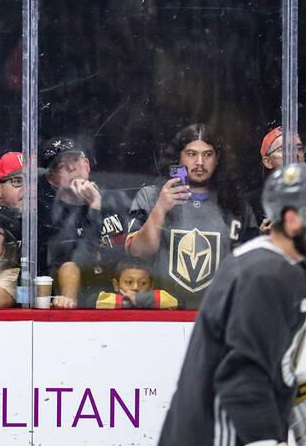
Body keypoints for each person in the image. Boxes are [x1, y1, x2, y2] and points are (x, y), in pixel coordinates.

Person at [157, 163, 306, 446]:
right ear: (292, 220)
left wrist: (297, 391)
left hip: (242, 443)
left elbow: (259, 351)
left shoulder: (278, 264)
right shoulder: (266, 273)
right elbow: (240, 374)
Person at [127, 124, 252, 310]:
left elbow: (248, 268)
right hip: (161, 316)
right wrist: (160, 209)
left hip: (218, 315)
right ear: (179, 157)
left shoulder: (235, 205)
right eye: (192, 154)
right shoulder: (152, 196)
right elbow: (138, 252)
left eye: (208, 154)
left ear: (218, 159)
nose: (200, 162)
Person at [37, 136, 131, 306]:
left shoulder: (116, 201)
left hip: (122, 296)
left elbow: (129, 255)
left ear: (86, 165)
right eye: (61, 166)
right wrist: (94, 205)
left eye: (74, 160)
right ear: (52, 180)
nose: (72, 167)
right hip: (79, 305)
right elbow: (79, 262)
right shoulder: (51, 216)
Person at [245, 126, 305, 234]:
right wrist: (261, 236)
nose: (295, 154)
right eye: (284, 149)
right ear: (268, 162)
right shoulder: (251, 203)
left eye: (299, 148)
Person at [88, 259, 179, 309]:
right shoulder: (107, 300)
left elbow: (177, 302)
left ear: (151, 286)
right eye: (129, 282)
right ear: (116, 284)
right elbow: (89, 301)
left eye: (143, 283)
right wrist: (125, 303)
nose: (135, 287)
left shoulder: (160, 304)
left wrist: (139, 299)